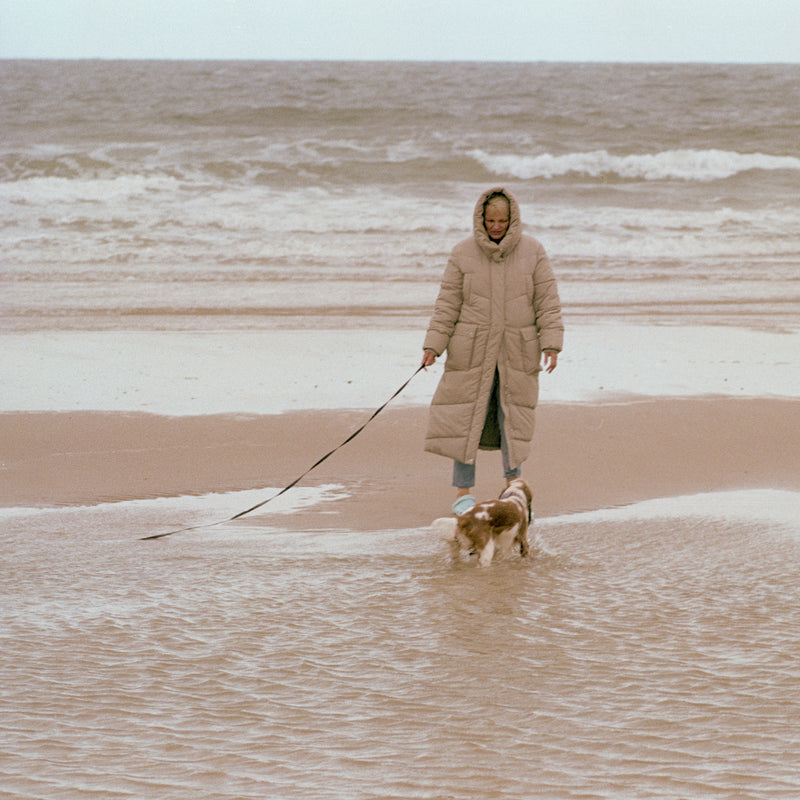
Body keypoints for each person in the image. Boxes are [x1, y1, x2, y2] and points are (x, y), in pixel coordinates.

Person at [420, 187, 563, 514]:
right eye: (490, 220)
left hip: (517, 351)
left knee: (512, 418)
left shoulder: (533, 251)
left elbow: (547, 301)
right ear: (480, 219)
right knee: (464, 420)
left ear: (512, 219)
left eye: (502, 220)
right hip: (470, 351)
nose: (496, 226)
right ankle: (462, 497)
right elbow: (447, 305)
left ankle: (514, 490)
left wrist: (551, 343)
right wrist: (433, 345)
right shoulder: (462, 253)